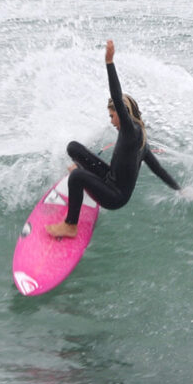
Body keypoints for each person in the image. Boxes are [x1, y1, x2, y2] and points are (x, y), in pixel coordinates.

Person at [45, 40, 180, 238]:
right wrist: (180, 189)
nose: (111, 121)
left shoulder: (130, 131)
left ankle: (70, 226)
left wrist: (109, 62)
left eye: (112, 116)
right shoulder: (139, 138)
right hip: (109, 179)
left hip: (115, 197)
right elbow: (158, 170)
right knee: (73, 148)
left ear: (122, 113)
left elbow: (117, 96)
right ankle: (84, 180)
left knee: (76, 177)